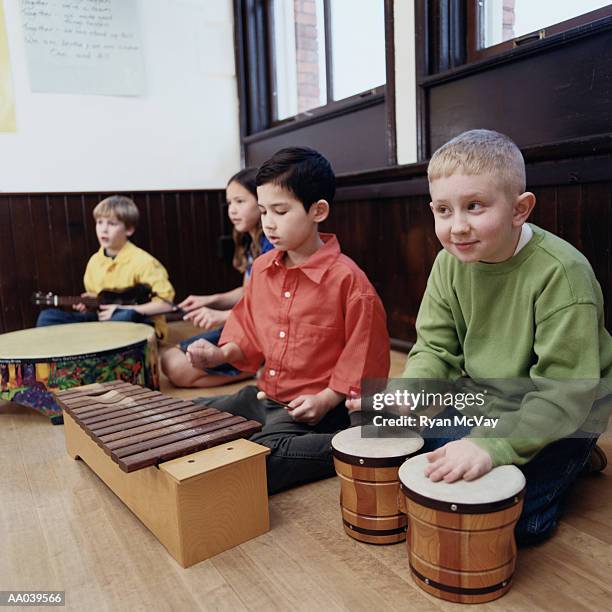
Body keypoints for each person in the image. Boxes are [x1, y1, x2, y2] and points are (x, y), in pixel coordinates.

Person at [348, 129, 612, 544]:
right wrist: (410, 392)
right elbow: (435, 347)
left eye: (474, 206)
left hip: (562, 413)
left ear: (520, 209)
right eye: (443, 210)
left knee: (506, 527)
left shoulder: (562, 274)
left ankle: (573, 459)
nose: (457, 228)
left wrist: (491, 447)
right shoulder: (448, 263)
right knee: (412, 464)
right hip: (484, 401)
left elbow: (567, 393)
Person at [187, 147, 391, 494]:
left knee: (259, 463)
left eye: (280, 211)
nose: (268, 222)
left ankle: (359, 443)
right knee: (192, 417)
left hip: (315, 409)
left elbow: (364, 355)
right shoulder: (263, 269)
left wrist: (327, 398)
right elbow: (249, 333)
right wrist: (218, 356)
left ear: (318, 211)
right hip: (266, 395)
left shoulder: (349, 282)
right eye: (264, 210)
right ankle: (280, 435)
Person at [161, 168, 274, 388]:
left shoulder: (273, 246)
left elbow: (273, 307)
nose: (232, 210)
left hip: (261, 332)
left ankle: (258, 370)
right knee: (169, 360)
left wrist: (223, 316)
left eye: (240, 201)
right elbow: (248, 291)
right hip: (246, 324)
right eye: (229, 203)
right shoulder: (251, 243)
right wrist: (210, 299)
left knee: (176, 366)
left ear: (262, 203)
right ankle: (255, 368)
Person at [36, 195, 175, 340]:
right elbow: (98, 299)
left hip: (138, 322)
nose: (104, 229)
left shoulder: (144, 262)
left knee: (123, 317)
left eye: (112, 224)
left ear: (129, 229)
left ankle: (91, 342)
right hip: (103, 321)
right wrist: (88, 304)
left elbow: (167, 305)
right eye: (100, 222)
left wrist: (124, 309)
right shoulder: (95, 261)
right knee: (48, 318)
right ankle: (91, 343)